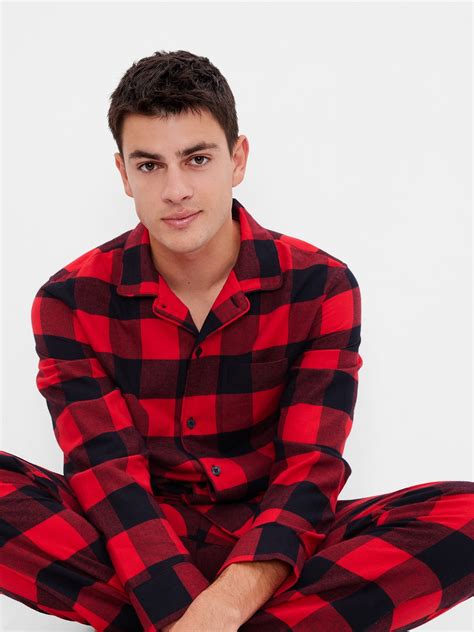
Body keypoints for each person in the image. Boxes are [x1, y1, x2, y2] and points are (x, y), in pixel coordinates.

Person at [0, 49, 472, 632]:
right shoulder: (69, 299)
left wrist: (223, 606)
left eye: (197, 159)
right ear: (123, 175)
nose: (176, 189)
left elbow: (309, 468)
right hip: (133, 535)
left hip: (273, 537)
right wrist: (183, 608)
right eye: (150, 166)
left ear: (238, 159)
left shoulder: (322, 286)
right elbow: (108, 475)